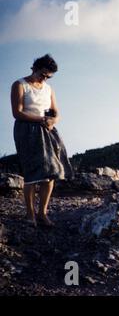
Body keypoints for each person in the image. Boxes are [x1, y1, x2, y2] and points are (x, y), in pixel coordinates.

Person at [10, 54, 73, 227]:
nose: (44, 78)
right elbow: (17, 112)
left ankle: (42, 213)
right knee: (31, 172)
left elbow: (56, 112)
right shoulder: (20, 85)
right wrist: (40, 120)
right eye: (43, 74)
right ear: (35, 68)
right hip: (27, 129)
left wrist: (53, 121)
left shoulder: (49, 89)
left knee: (52, 170)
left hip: (47, 129)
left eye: (48, 77)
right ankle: (30, 215)